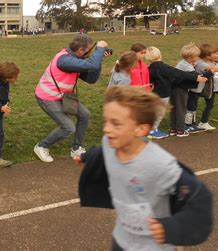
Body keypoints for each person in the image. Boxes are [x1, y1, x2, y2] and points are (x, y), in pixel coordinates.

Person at [75, 86, 213, 250]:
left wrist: (171, 228)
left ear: (141, 129)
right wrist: (85, 157)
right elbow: (102, 152)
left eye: (116, 124)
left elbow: (199, 197)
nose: (106, 129)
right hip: (121, 240)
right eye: (106, 121)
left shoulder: (159, 165)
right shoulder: (110, 142)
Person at [33, 34, 110, 162]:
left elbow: (91, 79)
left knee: (84, 115)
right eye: (90, 49)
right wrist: (100, 48)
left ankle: (76, 148)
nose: (90, 52)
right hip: (48, 97)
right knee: (68, 128)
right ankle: (41, 146)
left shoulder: (76, 60)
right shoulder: (65, 61)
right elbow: (91, 65)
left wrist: (99, 58)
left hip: (63, 96)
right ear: (80, 50)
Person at [145, 46, 208, 139]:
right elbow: (179, 73)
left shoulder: (150, 68)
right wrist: (196, 78)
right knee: (159, 113)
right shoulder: (163, 67)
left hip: (154, 93)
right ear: (160, 55)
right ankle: (153, 130)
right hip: (163, 94)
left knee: (157, 112)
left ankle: (154, 129)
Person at [173, 43, 213, 135]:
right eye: (197, 56)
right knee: (190, 107)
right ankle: (187, 125)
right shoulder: (186, 66)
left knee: (192, 107)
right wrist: (211, 71)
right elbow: (197, 77)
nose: (198, 58)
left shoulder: (187, 63)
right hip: (181, 89)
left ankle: (192, 124)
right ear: (190, 58)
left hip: (185, 88)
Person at [186, 44, 218, 131]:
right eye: (215, 53)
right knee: (192, 107)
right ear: (207, 56)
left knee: (209, 105)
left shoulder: (210, 61)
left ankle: (200, 123)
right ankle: (191, 125)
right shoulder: (201, 64)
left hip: (208, 88)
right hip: (198, 88)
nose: (217, 55)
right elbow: (213, 69)